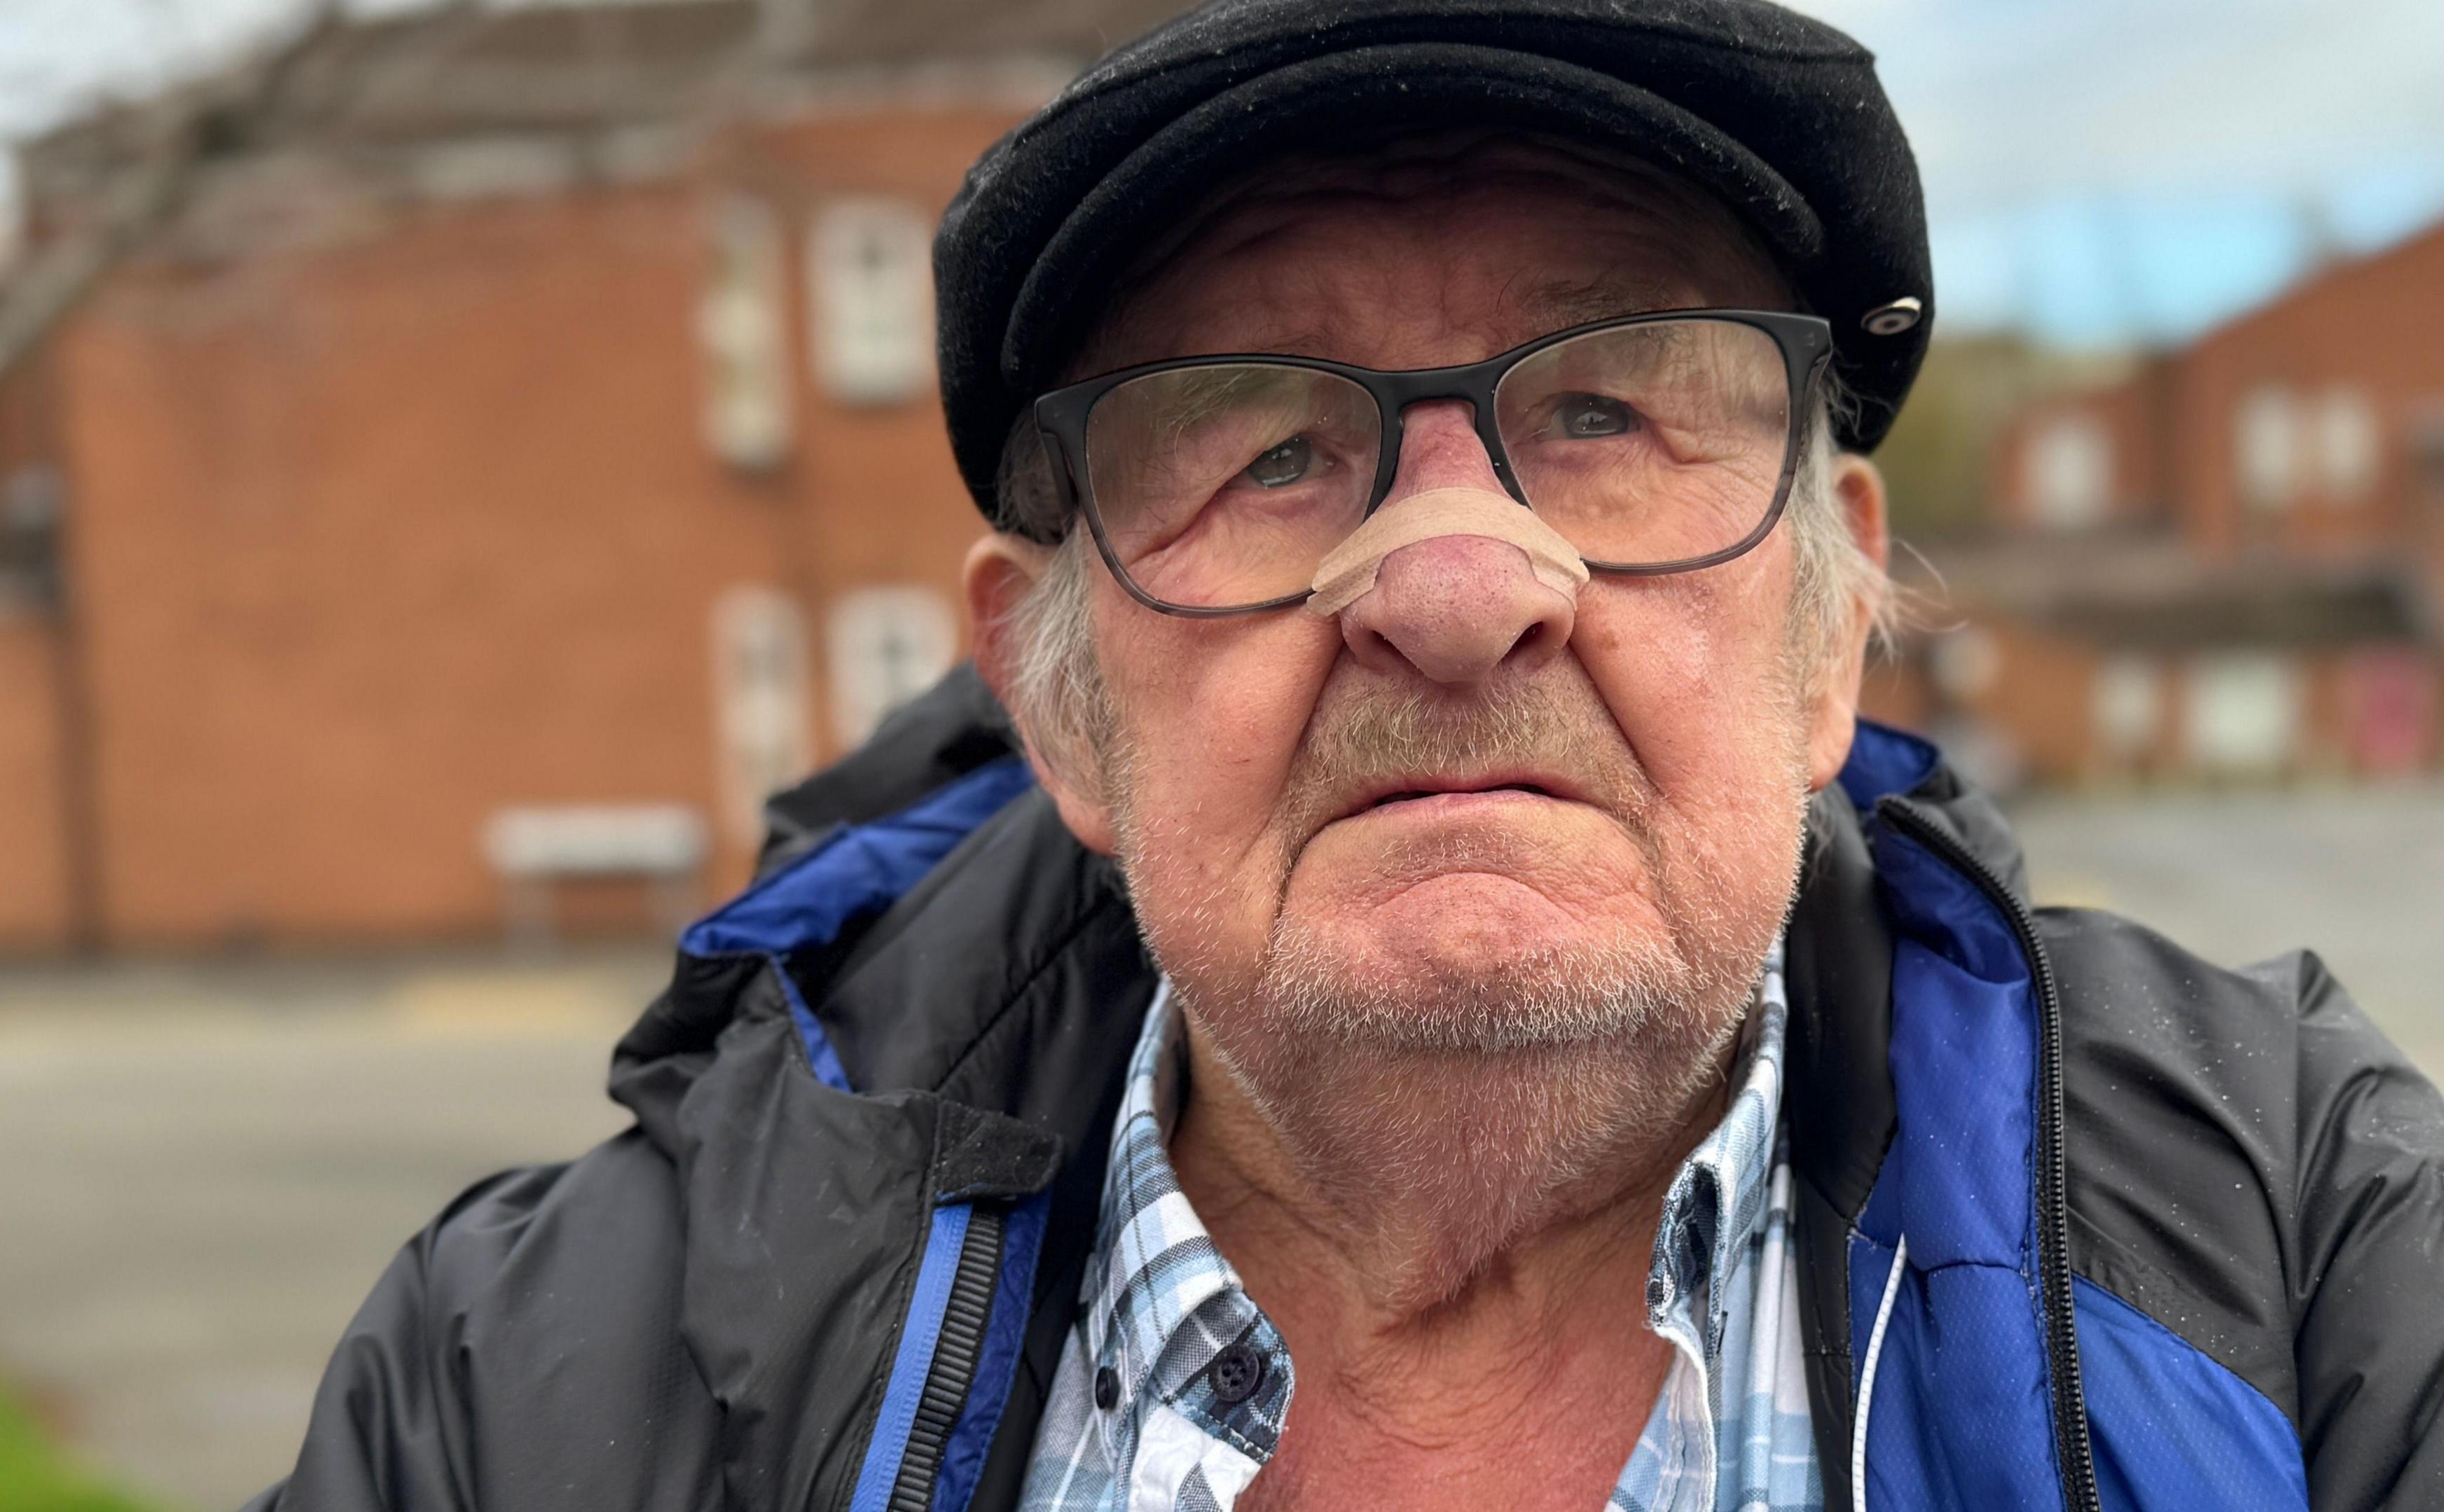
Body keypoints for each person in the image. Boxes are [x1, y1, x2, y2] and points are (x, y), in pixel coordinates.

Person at [249, 2, 2444, 1508]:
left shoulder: (2310, 1259)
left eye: (1606, 413)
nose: (1455, 580)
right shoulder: (533, 1381)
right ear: (1056, 696)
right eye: (1270, 446)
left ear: (1822, 634)